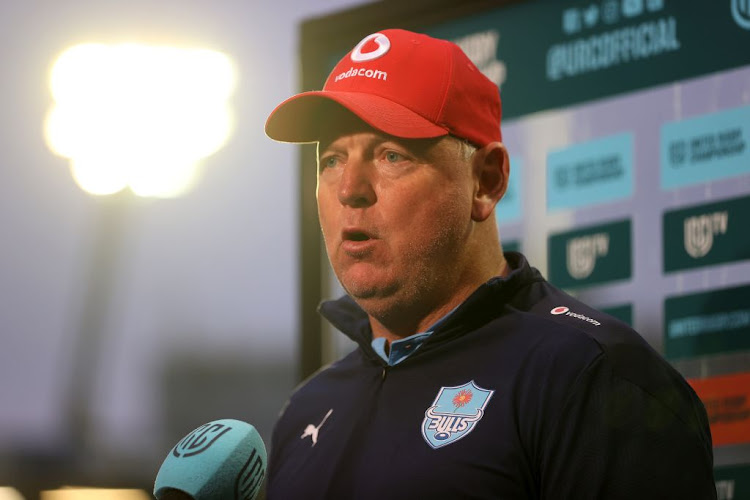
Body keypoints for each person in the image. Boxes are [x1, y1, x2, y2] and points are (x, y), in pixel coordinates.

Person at [263, 28, 716, 499]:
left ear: (487, 180)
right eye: (331, 160)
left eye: (390, 154)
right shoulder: (304, 411)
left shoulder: (592, 376)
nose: (349, 189)